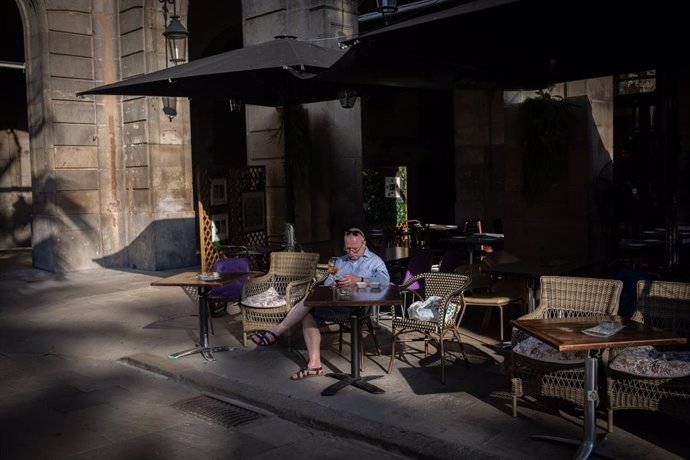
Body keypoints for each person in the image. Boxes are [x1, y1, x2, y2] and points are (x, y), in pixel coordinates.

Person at [249, 227, 390, 380]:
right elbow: (328, 280)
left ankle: (275, 332)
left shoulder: (375, 261)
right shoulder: (338, 261)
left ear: (364, 244)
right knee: (308, 314)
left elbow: (385, 282)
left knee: (309, 300)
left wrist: (360, 280)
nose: (351, 253)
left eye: (355, 249)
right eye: (348, 249)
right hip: (337, 303)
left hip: (359, 306)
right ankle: (314, 365)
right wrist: (334, 284)